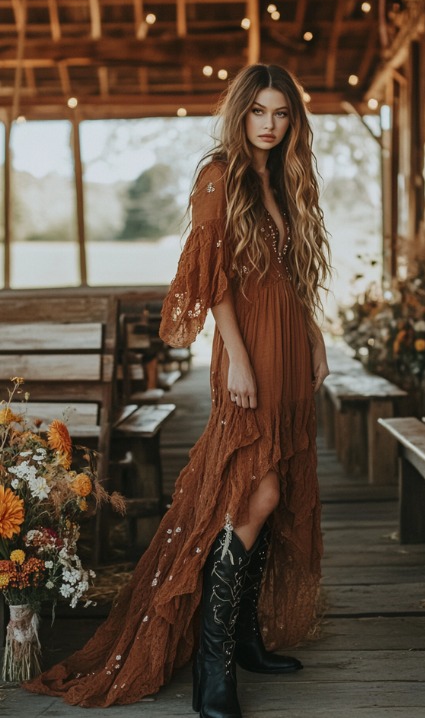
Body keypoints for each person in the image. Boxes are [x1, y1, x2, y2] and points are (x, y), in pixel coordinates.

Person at [24, 63, 330, 715]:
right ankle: (212, 668)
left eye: (282, 113)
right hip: (247, 351)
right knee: (255, 485)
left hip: (290, 350)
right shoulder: (220, 173)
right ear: (240, 112)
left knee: (278, 484)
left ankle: (247, 638)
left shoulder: (285, 176)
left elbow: (294, 278)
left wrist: (317, 339)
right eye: (260, 112)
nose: (271, 125)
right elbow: (211, 278)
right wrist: (239, 361)